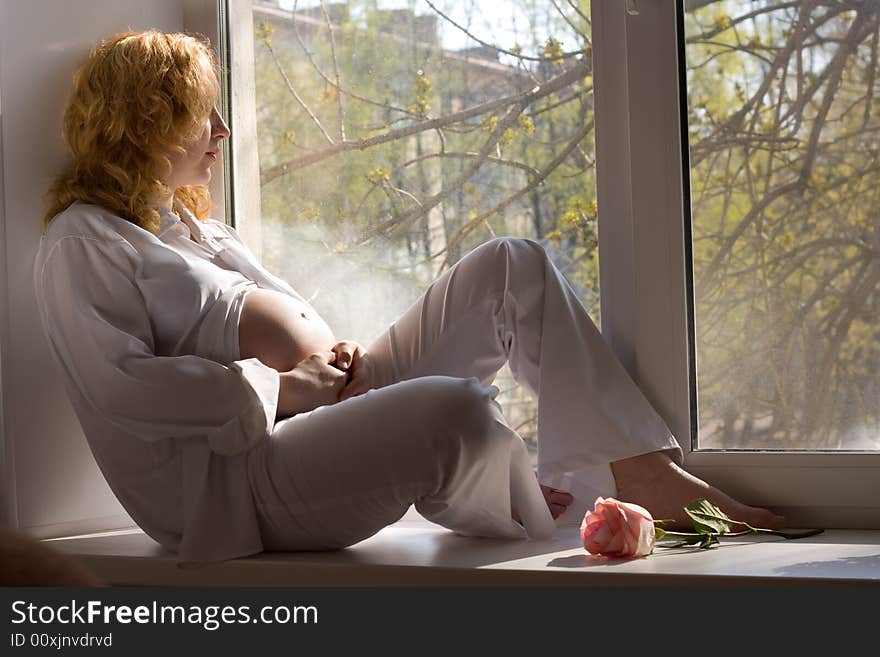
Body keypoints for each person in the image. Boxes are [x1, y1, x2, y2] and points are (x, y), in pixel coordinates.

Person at [34, 31, 783, 565]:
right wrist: (280, 389)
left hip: (321, 407)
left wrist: (337, 355)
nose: (222, 132)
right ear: (146, 120)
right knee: (454, 408)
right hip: (240, 478)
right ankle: (533, 492)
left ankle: (637, 470)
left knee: (511, 267)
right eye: (205, 113)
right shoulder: (83, 240)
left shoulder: (194, 227)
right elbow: (122, 389)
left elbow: (277, 321)